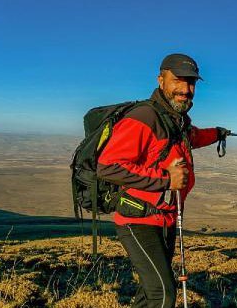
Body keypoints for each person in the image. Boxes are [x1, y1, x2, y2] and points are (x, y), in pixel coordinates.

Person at [96, 53, 228, 308]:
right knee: (163, 294)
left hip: (165, 218)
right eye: (178, 80)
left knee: (150, 292)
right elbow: (108, 166)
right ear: (161, 80)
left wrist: (218, 134)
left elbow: (194, 137)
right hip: (138, 220)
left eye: (191, 83)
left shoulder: (175, 120)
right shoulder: (144, 117)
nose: (186, 90)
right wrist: (166, 179)